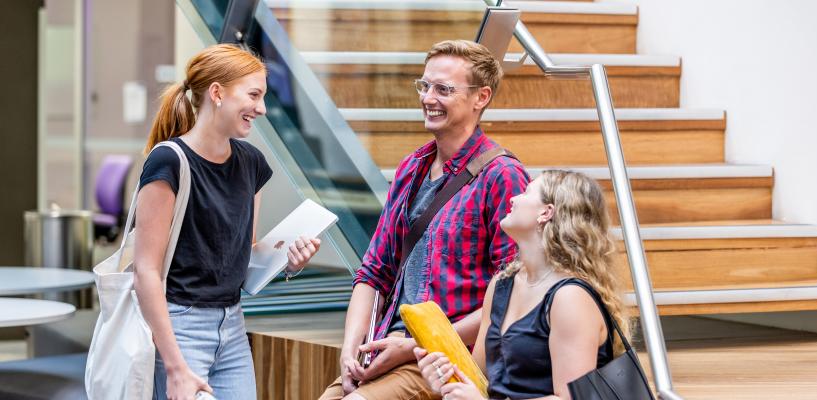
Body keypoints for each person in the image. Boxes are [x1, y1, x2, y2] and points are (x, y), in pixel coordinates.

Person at [319, 40, 530, 400]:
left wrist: (413, 343)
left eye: (443, 89)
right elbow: (373, 272)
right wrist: (350, 349)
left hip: (447, 358)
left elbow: (514, 295)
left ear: (481, 97)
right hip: (389, 343)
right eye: (425, 85)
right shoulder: (411, 167)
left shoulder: (502, 175)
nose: (428, 98)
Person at [134, 44, 320, 400]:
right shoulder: (168, 162)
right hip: (179, 328)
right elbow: (146, 271)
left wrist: (291, 261)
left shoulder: (251, 163)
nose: (261, 109)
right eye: (254, 95)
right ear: (217, 93)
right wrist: (174, 367)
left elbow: (243, 254)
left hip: (232, 326)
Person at [414, 170, 631, 400]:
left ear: (546, 213)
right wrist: (445, 378)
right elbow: (480, 379)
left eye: (526, 192)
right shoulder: (501, 285)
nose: (513, 198)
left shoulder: (570, 297)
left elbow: (571, 399)